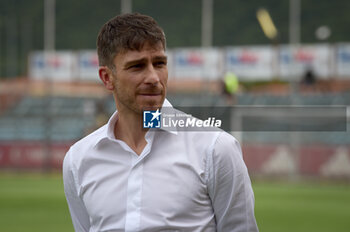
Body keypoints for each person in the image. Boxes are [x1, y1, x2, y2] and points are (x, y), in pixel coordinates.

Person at [63, 13, 259, 232]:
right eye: (137, 67)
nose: (154, 78)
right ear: (107, 78)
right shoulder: (78, 160)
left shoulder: (215, 148)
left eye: (159, 63)